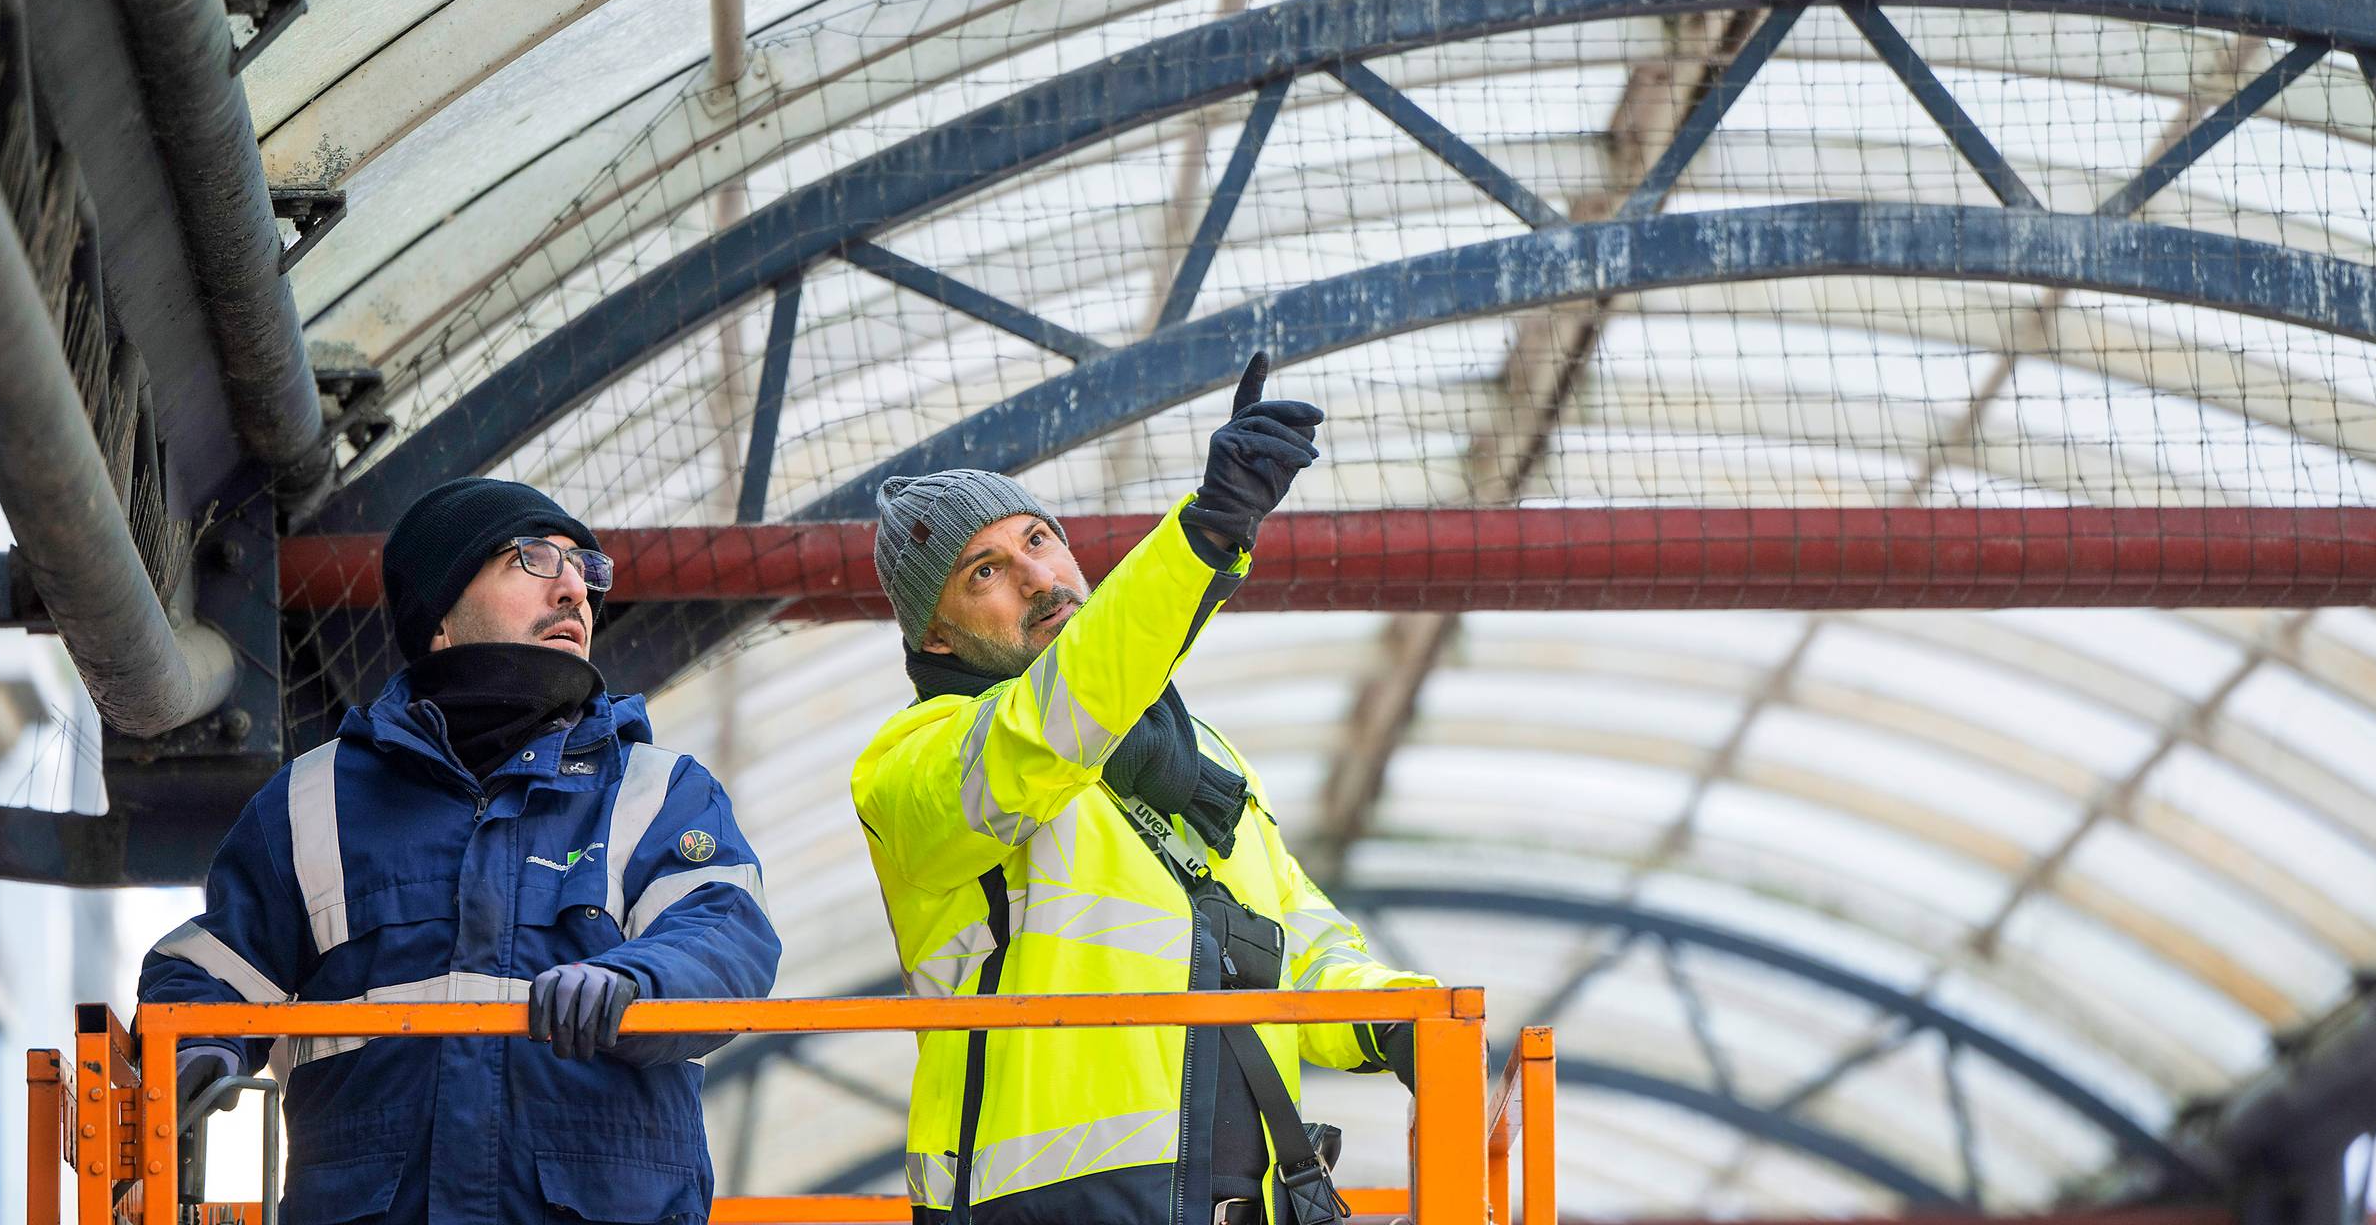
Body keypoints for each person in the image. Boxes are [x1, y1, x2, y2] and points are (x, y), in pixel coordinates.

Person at [851, 355, 1437, 1225]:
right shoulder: (920, 762)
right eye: (984, 572)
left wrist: (1400, 1019)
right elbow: (1058, 719)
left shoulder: (1198, 758)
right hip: (1049, 1204)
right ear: (935, 638)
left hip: (1247, 1202)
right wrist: (1203, 536)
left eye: (1038, 541)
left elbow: (1298, 941)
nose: (1037, 579)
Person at [137, 477, 782, 1224]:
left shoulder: (657, 792)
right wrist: (194, 1048)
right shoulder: (313, 803)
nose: (574, 588)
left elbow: (725, 934)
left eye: (584, 568)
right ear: (440, 615)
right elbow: (208, 970)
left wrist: (636, 977)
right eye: (534, 560)